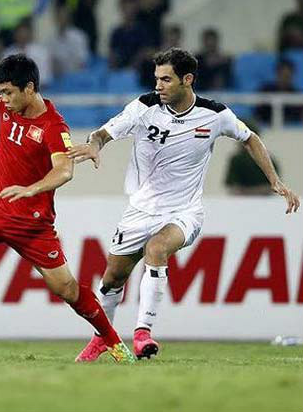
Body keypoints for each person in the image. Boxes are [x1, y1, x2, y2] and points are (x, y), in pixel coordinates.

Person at [67, 48, 300, 361]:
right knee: (112, 279)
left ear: (187, 79)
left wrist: (275, 181)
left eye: (166, 79)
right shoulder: (143, 107)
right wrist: (94, 146)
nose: (159, 86)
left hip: (185, 211)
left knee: (158, 248)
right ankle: (102, 339)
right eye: (156, 79)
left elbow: (250, 138)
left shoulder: (215, 114)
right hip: (140, 209)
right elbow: (103, 134)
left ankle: (142, 334)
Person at [0, 54, 135, 363]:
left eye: (8, 92)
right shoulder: (8, 105)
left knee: (67, 290)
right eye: (2, 91)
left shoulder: (53, 126)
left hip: (32, 224)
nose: (4, 99)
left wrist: (30, 189)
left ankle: (112, 341)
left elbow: (65, 171)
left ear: (29, 88)